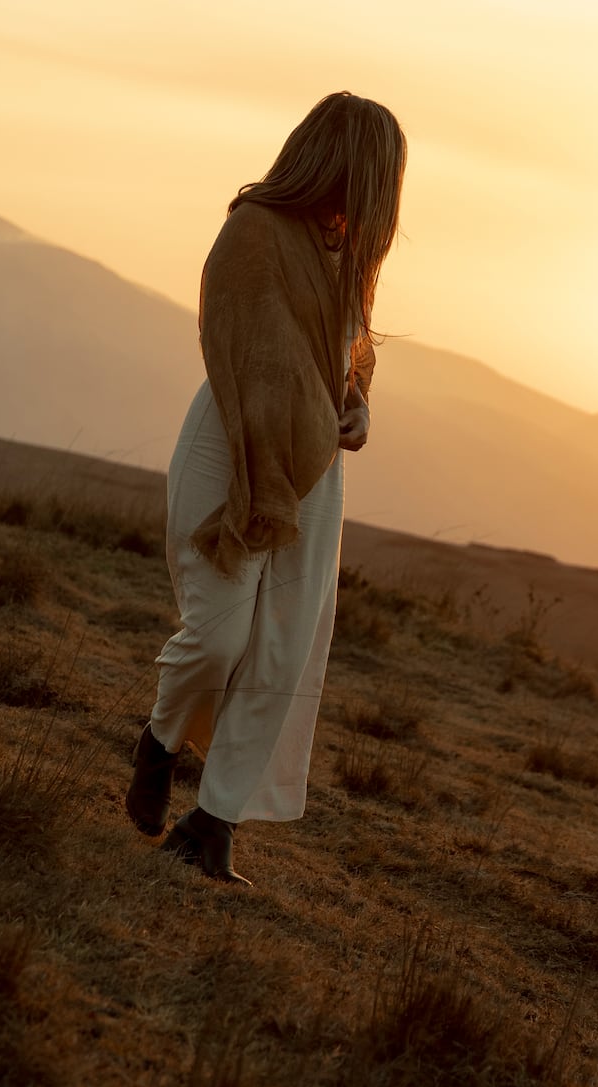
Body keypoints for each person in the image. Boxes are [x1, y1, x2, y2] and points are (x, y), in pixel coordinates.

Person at [122, 92, 406, 886]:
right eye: (378, 174)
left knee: (280, 652)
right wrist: (304, 408)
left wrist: (358, 409)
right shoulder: (253, 230)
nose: (383, 195)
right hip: (234, 446)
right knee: (217, 634)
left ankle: (212, 825)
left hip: (314, 470)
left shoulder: (348, 257)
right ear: (343, 162)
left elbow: (353, 356)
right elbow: (241, 343)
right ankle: (156, 740)